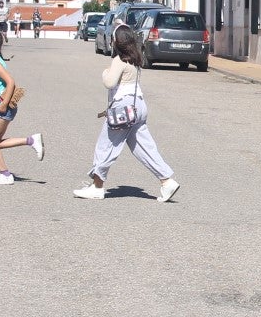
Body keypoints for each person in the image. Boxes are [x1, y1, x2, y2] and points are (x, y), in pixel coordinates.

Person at [73, 24, 180, 202]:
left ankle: (97, 186)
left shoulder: (119, 61)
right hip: (138, 107)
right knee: (145, 148)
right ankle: (166, 181)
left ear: (116, 42)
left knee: (105, 146)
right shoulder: (136, 60)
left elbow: (109, 82)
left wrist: (104, 72)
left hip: (122, 109)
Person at [0, 28, 44, 185]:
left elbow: (10, 81)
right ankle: (31, 141)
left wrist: (3, 104)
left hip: (4, 106)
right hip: (5, 106)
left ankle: (5, 175)